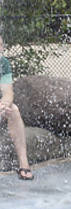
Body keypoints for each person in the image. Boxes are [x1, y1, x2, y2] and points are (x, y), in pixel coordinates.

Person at [0, 34, 33, 180]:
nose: (0, 48)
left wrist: (4, 105)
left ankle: (24, 163)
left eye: (0, 45)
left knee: (14, 110)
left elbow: (8, 93)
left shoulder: (3, 63)